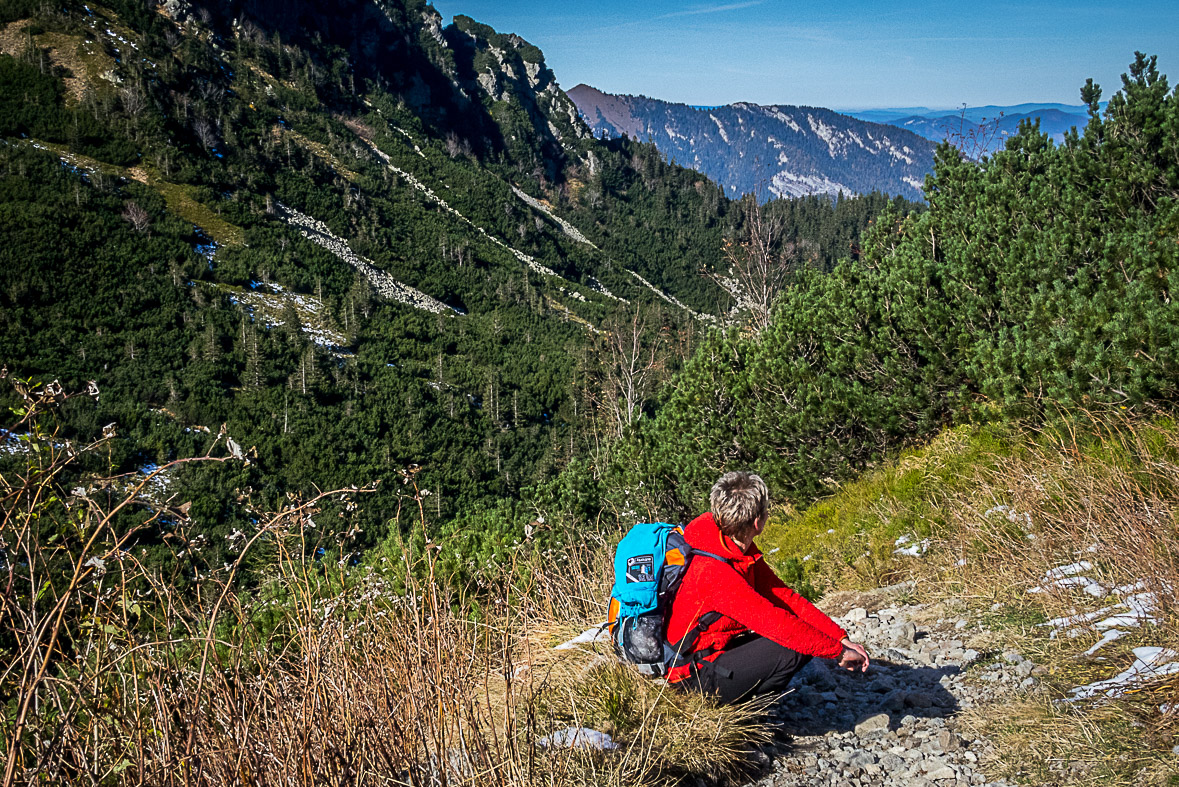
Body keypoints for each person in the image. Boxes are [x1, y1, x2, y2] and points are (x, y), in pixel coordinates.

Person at [667, 471, 870, 703]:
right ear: (758, 522)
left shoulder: (730, 547)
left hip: (705, 652)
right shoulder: (714, 571)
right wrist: (839, 652)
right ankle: (740, 714)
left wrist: (840, 638)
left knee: (801, 637)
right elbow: (779, 624)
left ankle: (746, 707)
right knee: (794, 646)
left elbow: (786, 598)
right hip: (688, 676)